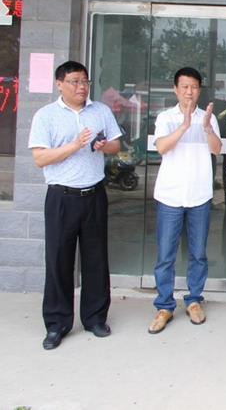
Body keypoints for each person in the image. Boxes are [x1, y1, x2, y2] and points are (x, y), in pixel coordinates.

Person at [29, 61, 123, 350]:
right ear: (59, 84)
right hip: (61, 197)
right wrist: (75, 144)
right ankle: (57, 324)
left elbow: (116, 145)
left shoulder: (100, 111)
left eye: (84, 81)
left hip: (93, 195)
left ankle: (95, 318)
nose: (81, 87)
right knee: (59, 261)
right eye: (74, 81)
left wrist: (102, 146)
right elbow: (40, 158)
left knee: (96, 260)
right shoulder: (46, 116)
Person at [147, 67, 222, 334]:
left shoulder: (208, 118)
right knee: (165, 255)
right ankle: (164, 305)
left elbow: (217, 149)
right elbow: (162, 147)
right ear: (176, 89)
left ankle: (193, 300)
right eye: (184, 87)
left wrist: (207, 128)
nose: (189, 92)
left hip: (199, 196)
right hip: (170, 195)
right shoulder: (166, 117)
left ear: (200, 90)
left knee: (198, 254)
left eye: (194, 87)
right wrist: (184, 125)